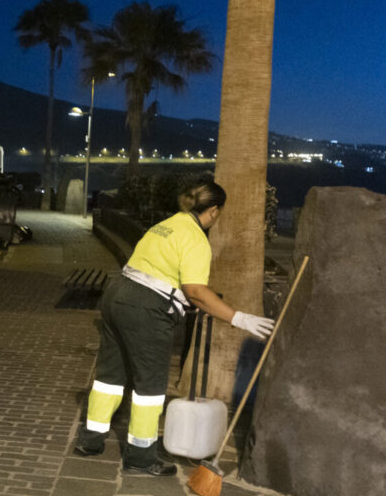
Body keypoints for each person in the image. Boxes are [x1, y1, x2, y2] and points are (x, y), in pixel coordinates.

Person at [74, 180, 274, 476]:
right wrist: (238, 318)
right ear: (214, 211)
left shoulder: (164, 225)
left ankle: (90, 441)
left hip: (117, 295)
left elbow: (160, 271)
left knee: (110, 377)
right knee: (149, 387)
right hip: (146, 310)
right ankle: (141, 458)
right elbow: (195, 291)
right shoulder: (195, 238)